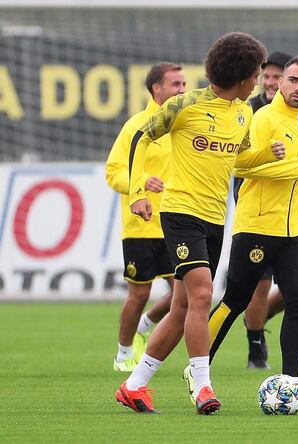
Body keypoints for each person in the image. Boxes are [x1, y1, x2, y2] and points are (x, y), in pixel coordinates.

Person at [114, 32, 273, 415]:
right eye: (256, 73)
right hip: (180, 212)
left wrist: (273, 157)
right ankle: (202, 386)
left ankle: (134, 386)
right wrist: (137, 192)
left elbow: (241, 161)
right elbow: (140, 137)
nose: (258, 80)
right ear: (239, 73)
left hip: (215, 218)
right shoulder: (185, 105)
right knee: (203, 295)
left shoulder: (244, 112)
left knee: (184, 306)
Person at [187, 56, 298, 409]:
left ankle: (293, 383)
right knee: (235, 300)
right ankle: (199, 370)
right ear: (278, 83)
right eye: (292, 80)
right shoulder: (262, 118)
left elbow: (292, 167)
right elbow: (240, 165)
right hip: (257, 226)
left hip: (294, 230)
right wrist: (297, 167)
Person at [234, 50, 298, 372]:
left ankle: (290, 379)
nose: (292, 86)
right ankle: (250, 346)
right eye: (284, 78)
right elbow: (238, 164)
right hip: (258, 217)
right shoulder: (254, 113)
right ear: (267, 79)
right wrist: (285, 165)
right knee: (246, 293)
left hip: (292, 223)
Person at [105, 62, 185, 372]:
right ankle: (124, 354)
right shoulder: (137, 125)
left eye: (183, 84)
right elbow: (113, 173)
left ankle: (146, 325)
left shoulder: (184, 123)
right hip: (141, 225)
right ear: (157, 89)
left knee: (188, 292)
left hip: (177, 222)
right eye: (176, 84)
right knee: (139, 293)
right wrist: (141, 183)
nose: (182, 90)